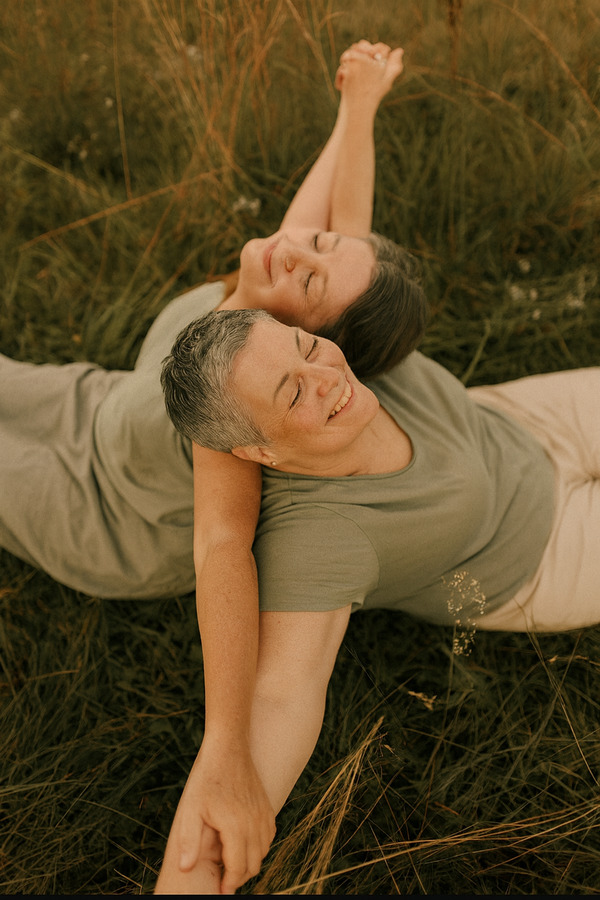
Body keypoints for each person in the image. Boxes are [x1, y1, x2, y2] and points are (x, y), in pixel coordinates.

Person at [0, 40, 425, 894]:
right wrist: (358, 105)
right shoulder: (272, 284)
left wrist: (225, 743)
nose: (296, 249)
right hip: (94, 406)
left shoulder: (246, 390)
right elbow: (331, 230)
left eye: (313, 281)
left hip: (104, 511)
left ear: (316, 341)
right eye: (312, 243)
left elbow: (221, 547)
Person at [157, 301, 600, 894]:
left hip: (520, 423)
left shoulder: (338, 344)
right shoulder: (321, 541)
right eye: (292, 396)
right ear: (259, 453)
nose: (327, 376)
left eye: (306, 347)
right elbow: (281, 700)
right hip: (546, 550)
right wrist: (212, 818)